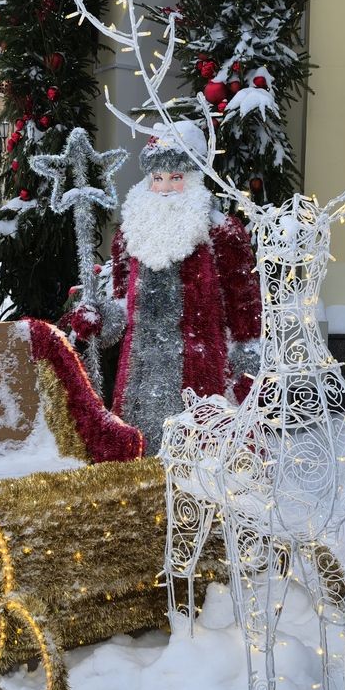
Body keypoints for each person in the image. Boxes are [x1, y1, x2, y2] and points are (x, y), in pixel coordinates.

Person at [70, 121, 262, 454]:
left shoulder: (222, 234)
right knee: (143, 468)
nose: (166, 188)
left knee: (201, 470)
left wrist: (247, 372)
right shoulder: (131, 236)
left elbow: (246, 312)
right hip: (139, 385)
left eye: (176, 177)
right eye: (157, 178)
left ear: (194, 178)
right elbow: (122, 306)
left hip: (202, 378)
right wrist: (99, 319)